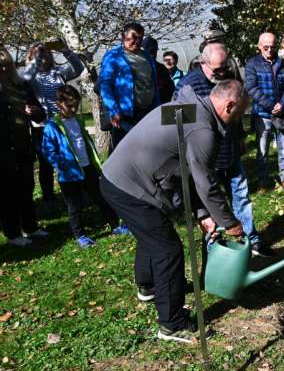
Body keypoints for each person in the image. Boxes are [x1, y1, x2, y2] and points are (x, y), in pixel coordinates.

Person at [101, 79, 247, 343]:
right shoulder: (203, 130)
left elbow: (186, 170)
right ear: (229, 105)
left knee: (153, 234)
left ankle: (148, 286)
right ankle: (172, 323)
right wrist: (230, 222)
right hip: (129, 185)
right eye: (239, 114)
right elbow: (205, 183)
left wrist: (203, 214)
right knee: (167, 250)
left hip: (115, 175)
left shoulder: (187, 108)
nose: (238, 120)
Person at [174, 43, 263, 253]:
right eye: (218, 68)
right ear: (203, 63)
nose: (222, 71)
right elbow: (175, 121)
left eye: (225, 66)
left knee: (241, 196)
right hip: (205, 157)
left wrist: (239, 136)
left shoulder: (229, 78)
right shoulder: (188, 87)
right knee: (211, 201)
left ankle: (250, 239)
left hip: (229, 150)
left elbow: (237, 108)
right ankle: (216, 247)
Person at [41, 86, 128, 248]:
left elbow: (84, 144)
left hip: (88, 168)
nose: (73, 109)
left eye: (76, 105)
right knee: (75, 206)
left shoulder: (78, 121)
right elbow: (48, 151)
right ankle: (80, 235)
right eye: (69, 106)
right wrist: (61, 164)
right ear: (59, 104)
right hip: (69, 174)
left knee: (101, 197)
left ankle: (115, 225)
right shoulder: (52, 127)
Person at [20, 39, 85, 202]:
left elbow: (78, 67)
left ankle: (76, 190)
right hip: (42, 126)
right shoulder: (29, 75)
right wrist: (25, 109)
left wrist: (65, 49)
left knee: (70, 155)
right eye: (38, 54)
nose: (43, 56)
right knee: (46, 164)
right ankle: (49, 197)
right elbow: (19, 88)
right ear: (30, 57)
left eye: (46, 53)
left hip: (62, 123)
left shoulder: (59, 72)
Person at [0, 47, 49, 247]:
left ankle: (31, 227)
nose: (3, 69)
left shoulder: (20, 85)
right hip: (3, 151)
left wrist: (36, 111)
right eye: (0, 66)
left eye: (7, 65)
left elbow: (40, 114)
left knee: (26, 188)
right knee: (7, 193)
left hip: (23, 146)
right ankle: (13, 233)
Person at [245, 32, 284, 191]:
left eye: (272, 47)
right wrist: (270, 105)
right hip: (263, 114)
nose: (269, 50)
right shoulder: (252, 64)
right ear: (259, 46)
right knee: (262, 151)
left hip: (283, 113)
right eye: (265, 47)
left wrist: (282, 103)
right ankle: (263, 181)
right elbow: (251, 88)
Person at [98, 22, 159, 149]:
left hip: (147, 113)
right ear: (123, 36)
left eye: (140, 38)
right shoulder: (113, 56)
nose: (137, 41)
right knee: (123, 152)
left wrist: (157, 107)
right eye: (133, 37)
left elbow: (152, 82)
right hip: (125, 116)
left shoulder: (146, 56)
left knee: (147, 150)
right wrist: (114, 110)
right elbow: (105, 86)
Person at [141, 36, 175, 104]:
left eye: (154, 50)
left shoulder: (162, 69)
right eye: (150, 51)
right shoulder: (137, 68)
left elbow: (170, 91)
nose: (152, 54)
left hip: (160, 107)